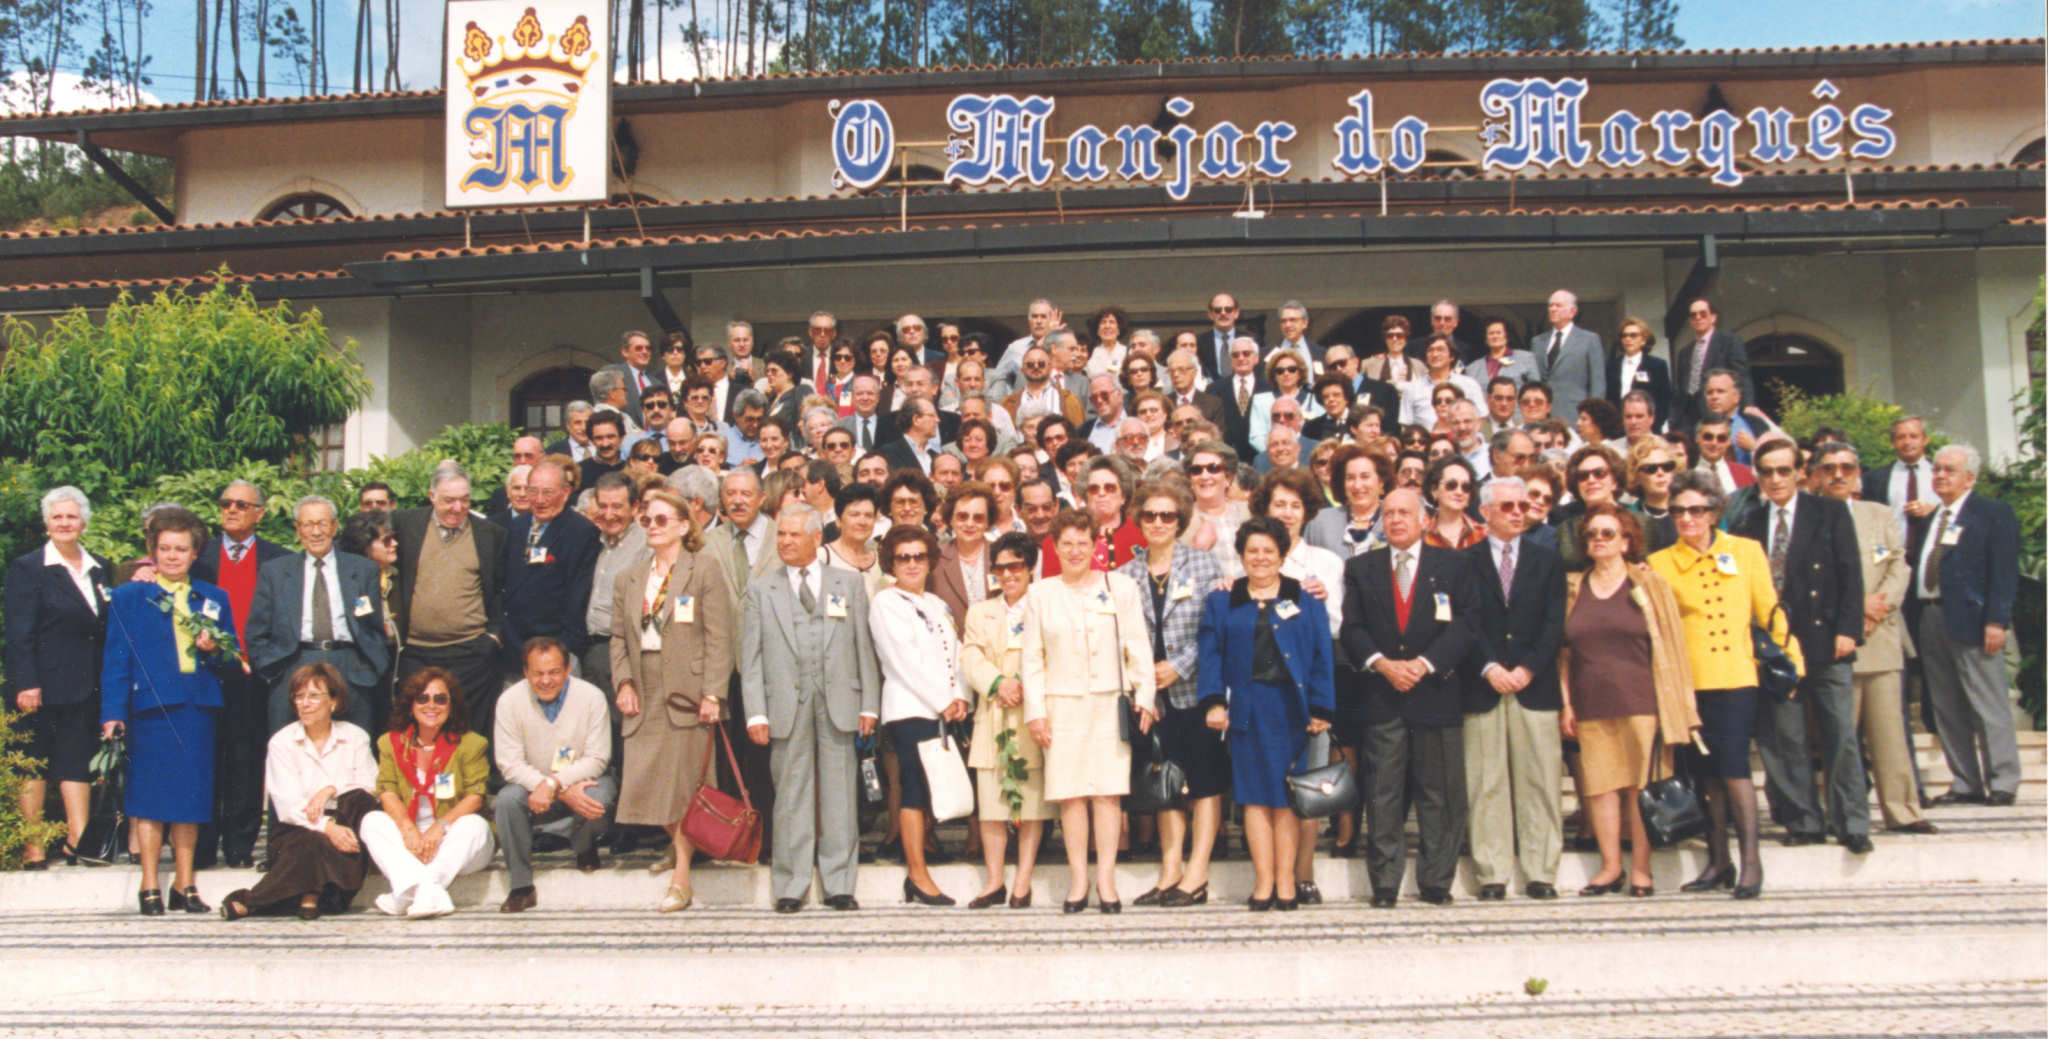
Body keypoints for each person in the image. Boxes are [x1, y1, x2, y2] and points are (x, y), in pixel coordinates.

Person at [1647, 472, 1801, 899]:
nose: (1687, 518)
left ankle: (1751, 861)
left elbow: (1770, 611)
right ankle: (1718, 861)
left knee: (1734, 769)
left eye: (1696, 510)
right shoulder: (1660, 563)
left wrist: (1792, 662)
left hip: (1736, 677)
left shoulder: (1746, 552)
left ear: (1714, 512)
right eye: (1679, 511)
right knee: (1705, 775)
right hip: (1690, 683)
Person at [1339, 488, 1477, 907]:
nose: (1396, 520)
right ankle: (1385, 883)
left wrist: (1425, 664)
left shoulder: (1454, 565)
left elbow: (1466, 624)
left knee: (1439, 794)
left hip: (1435, 692)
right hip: (1383, 695)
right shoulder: (1361, 568)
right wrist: (1382, 664)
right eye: (1389, 514)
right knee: (1383, 793)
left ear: (1425, 520)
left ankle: (1436, 881)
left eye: (1405, 513)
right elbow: (1352, 628)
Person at [740, 503, 881, 913]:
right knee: (790, 794)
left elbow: (864, 648)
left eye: (793, 535)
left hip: (840, 701)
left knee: (840, 794)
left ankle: (839, 884)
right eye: (781, 535)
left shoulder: (848, 584)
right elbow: (750, 658)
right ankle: (790, 885)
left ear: (817, 538)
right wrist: (756, 712)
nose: (784, 542)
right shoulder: (761, 589)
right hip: (786, 704)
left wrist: (869, 704)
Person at [1733, 438, 1869, 853]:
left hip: (1826, 639)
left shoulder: (1829, 513)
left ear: (1800, 473)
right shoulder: (1748, 522)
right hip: (1775, 649)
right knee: (1784, 737)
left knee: (1841, 734)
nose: (1776, 479)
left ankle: (1852, 823)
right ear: (1757, 476)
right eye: (1767, 471)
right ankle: (1803, 821)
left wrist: (1849, 629)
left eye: (1784, 470)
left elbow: (1851, 574)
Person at [1558, 503, 1698, 897]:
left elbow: (1671, 645)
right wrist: (1567, 704)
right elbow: (1564, 654)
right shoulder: (1573, 588)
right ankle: (1610, 867)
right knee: (1600, 790)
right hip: (1590, 702)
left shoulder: (1648, 585)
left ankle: (1640, 869)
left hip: (1643, 702)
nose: (1599, 540)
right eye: (1592, 534)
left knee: (1641, 790)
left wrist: (1677, 706)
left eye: (1608, 533)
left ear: (1625, 541)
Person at [1197, 516, 1334, 911]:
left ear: (1282, 555)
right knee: (1254, 795)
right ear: (1241, 556)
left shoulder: (1306, 599)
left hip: (1293, 710)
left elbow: (1321, 656)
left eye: (1268, 551)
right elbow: (1211, 655)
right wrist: (1214, 702)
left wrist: (1321, 707)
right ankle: (1263, 880)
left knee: (1286, 797)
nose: (1260, 558)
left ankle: (1286, 879)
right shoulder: (1222, 600)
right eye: (1252, 551)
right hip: (1246, 708)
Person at [1023, 509, 1157, 913]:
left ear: (1096, 545)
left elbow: (1137, 645)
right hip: (1061, 705)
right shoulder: (1040, 593)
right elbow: (1032, 659)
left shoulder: (1121, 587)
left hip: (1108, 701)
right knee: (1071, 795)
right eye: (1067, 544)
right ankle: (1079, 879)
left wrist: (1145, 695)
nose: (1075, 551)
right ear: (1055, 547)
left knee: (1107, 794)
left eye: (1083, 543)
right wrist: (1036, 711)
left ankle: (1107, 880)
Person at [101, 505, 233, 914]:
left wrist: (214, 649)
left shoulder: (213, 597)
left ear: (195, 553)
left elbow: (232, 657)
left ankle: (185, 883)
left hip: (197, 707)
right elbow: (116, 657)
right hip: (151, 708)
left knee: (191, 798)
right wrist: (112, 712)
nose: (173, 556)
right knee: (149, 798)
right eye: (165, 548)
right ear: (153, 552)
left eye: (181, 549)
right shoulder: (130, 596)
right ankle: (149, 884)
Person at [610, 487, 735, 912]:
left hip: (688, 688)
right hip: (644, 685)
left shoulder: (704, 569)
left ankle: (682, 875)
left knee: (684, 784)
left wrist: (713, 692)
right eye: (647, 519)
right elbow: (617, 638)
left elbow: (719, 637)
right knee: (648, 779)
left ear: (684, 526)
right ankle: (679, 844)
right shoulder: (628, 577)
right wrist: (624, 683)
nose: (652, 526)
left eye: (662, 520)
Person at [1814, 442, 1932, 834]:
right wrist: (1854, 608)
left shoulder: (1879, 514)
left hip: (1880, 636)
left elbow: (1900, 566)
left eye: (1846, 467)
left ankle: (1903, 811)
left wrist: (1880, 606)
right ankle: (1842, 816)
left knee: (1890, 736)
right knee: (1839, 738)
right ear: (1817, 475)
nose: (1838, 474)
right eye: (1829, 467)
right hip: (1836, 643)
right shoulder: (1809, 517)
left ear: (1858, 473)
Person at [1118, 482, 1226, 907]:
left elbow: (1214, 629)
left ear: (1180, 521)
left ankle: (1197, 872)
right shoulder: (1125, 575)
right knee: (1165, 782)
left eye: (1167, 515)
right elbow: (1123, 640)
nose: (1158, 523)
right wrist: (1145, 680)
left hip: (1196, 691)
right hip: (1153, 701)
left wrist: (1179, 665)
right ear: (1139, 521)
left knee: (1204, 781)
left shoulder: (1203, 564)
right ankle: (1170, 871)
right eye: (1150, 515)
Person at [1461, 477, 1568, 901]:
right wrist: (1489, 666)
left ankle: (1541, 871)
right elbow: (1466, 623)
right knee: (1486, 782)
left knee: (1539, 780)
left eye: (1522, 506)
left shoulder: (1548, 561)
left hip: (1534, 686)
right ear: (1485, 513)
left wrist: (1528, 668)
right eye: (1507, 506)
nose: (1519, 513)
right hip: (1483, 685)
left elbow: (1553, 623)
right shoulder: (1464, 562)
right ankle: (1492, 871)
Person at [219, 662, 378, 920]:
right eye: (299, 696)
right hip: (296, 829)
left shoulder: (355, 736)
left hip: (345, 823)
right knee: (312, 842)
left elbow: (370, 784)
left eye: (314, 696)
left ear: (334, 702)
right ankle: (309, 896)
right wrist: (327, 828)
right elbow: (287, 806)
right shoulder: (282, 742)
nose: (305, 703)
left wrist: (330, 789)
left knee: (356, 802)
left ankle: (253, 902)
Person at [5, 486, 111, 869]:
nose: (64, 523)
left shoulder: (100, 567)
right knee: (34, 763)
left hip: (85, 685)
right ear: (46, 523)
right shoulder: (28, 568)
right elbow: (18, 632)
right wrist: (25, 683)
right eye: (57, 516)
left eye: (71, 516)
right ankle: (33, 846)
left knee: (76, 760)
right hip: (39, 686)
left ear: (84, 522)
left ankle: (76, 841)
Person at [1915, 444, 2023, 808]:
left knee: (1987, 702)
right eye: (1937, 469)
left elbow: (2004, 571)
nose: (1940, 475)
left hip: (1975, 621)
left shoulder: (1992, 513)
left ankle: (2003, 780)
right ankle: (1965, 782)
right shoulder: (1932, 518)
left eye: (1949, 470)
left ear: (1969, 478)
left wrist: (1997, 620)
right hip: (1931, 616)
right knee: (1947, 705)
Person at [188, 480, 287, 870]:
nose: (231, 510)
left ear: (259, 513)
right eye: (226, 503)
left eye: (241, 505)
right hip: (207, 670)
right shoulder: (200, 556)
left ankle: (240, 844)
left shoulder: (279, 559)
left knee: (247, 759)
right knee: (206, 756)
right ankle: (202, 845)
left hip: (254, 673)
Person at [869, 523, 969, 906]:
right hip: (909, 709)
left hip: (942, 710)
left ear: (929, 561)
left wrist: (959, 695)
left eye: (919, 557)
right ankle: (917, 873)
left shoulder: (936, 603)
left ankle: (922, 863)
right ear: (891, 564)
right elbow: (903, 660)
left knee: (930, 788)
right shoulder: (886, 603)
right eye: (903, 558)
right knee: (912, 787)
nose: (912, 564)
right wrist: (942, 699)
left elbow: (956, 653)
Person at [489, 636, 614, 913]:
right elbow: (509, 763)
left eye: (554, 672)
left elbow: (598, 758)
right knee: (506, 801)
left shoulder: (592, 697)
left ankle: (584, 845)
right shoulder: (509, 701)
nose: (546, 680)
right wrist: (545, 786)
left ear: (567, 669)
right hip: (532, 789)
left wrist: (556, 784)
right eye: (538, 673)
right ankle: (521, 886)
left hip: (577, 783)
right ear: (525, 672)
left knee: (603, 795)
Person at [247, 495, 388, 734]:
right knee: (290, 745)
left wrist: (371, 668)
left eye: (322, 523)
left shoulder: (363, 569)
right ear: (297, 529)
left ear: (334, 526)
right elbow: (256, 632)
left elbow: (374, 628)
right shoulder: (275, 572)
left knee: (353, 743)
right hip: (293, 664)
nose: (315, 532)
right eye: (307, 524)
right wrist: (274, 673)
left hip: (349, 668)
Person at [362, 668, 495, 919]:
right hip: (410, 840)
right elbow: (387, 790)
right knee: (371, 821)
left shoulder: (471, 743)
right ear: (411, 705)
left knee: (474, 825)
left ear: (451, 706)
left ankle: (406, 895)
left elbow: (476, 796)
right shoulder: (389, 743)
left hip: (454, 839)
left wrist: (439, 827)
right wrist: (407, 829)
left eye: (440, 699)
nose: (431, 705)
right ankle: (428, 893)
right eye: (422, 698)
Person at [392, 467, 507, 748]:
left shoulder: (490, 534)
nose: (458, 508)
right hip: (417, 651)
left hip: (471, 652)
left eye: (465, 499)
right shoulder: (405, 524)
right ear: (431, 496)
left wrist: (493, 636)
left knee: (469, 732)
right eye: (449, 500)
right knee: (417, 730)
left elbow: (500, 589)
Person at [1044, 457, 1144, 575]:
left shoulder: (1142, 532)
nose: (1101, 493)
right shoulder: (1059, 538)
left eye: (1110, 488)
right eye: (1094, 489)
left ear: (1123, 496)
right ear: (1085, 497)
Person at [1669, 298, 1754, 433]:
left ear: (1713, 318)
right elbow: (1681, 388)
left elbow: (1742, 377)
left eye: (1703, 314)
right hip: (1687, 418)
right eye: (1693, 315)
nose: (1698, 317)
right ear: (1690, 321)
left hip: (1716, 413)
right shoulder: (1684, 352)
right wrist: (1673, 418)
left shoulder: (1729, 342)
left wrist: (1748, 406)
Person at [1533, 290, 1606, 419]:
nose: (1553, 309)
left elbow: (1597, 382)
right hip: (1542, 414)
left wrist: (1594, 415)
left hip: (1575, 413)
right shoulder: (1538, 341)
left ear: (1572, 311)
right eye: (1551, 305)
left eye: (1558, 305)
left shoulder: (1589, 340)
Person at [1400, 335, 1484, 431]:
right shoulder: (1412, 388)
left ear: (1452, 356)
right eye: (1430, 350)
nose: (1435, 354)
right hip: (1425, 439)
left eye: (1440, 350)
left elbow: (1480, 418)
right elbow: (1406, 425)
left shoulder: (1469, 385)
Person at [1605, 316, 1673, 431]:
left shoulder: (1656, 365)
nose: (1628, 339)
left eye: (1633, 335)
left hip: (1648, 427)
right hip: (1618, 427)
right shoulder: (1612, 366)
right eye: (1624, 335)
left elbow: (1665, 400)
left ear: (1643, 340)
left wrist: (1655, 424)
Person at [1464, 318, 1538, 388]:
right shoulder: (1473, 368)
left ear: (1506, 336)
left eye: (1499, 333)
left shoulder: (1526, 358)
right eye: (1491, 333)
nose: (1495, 336)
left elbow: (1535, 388)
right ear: (1486, 338)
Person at [1361, 315, 1421, 388]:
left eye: (1399, 336)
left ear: (1406, 339)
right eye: (1390, 335)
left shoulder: (1418, 366)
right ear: (1385, 339)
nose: (1394, 339)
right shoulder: (1368, 365)